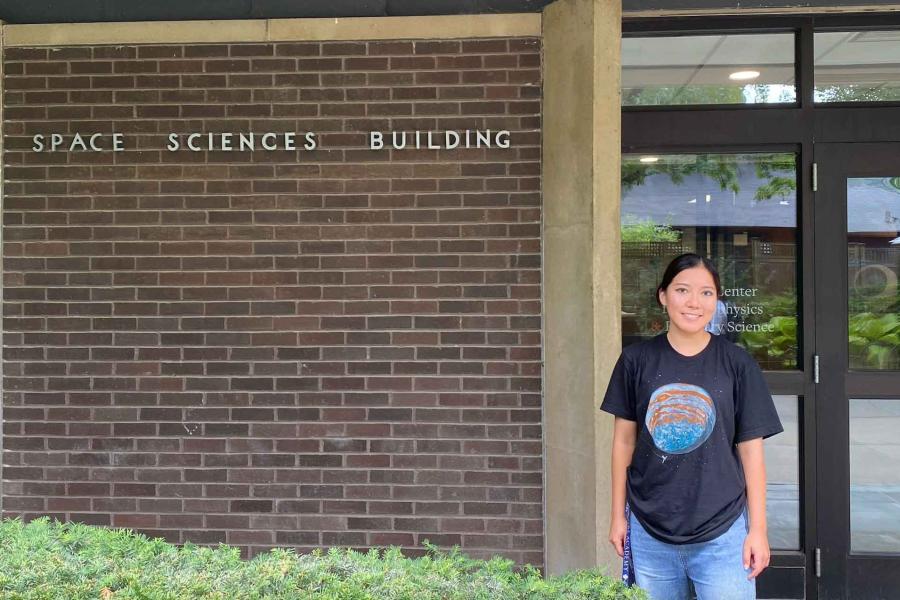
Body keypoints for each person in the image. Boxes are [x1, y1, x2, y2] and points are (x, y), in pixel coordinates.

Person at [602, 253, 783, 600]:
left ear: (717, 301)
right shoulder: (635, 361)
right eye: (682, 290)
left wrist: (758, 529)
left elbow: (751, 453)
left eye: (706, 293)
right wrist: (617, 517)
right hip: (650, 529)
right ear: (663, 296)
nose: (694, 303)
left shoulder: (737, 364)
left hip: (723, 532)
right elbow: (623, 443)